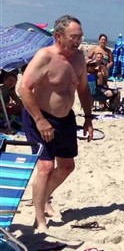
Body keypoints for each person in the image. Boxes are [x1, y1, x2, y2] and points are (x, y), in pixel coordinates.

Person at [17, 15, 94, 232]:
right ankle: (39, 218)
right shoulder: (45, 56)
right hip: (39, 117)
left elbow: (83, 90)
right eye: (74, 37)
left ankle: (43, 198)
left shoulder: (79, 58)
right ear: (58, 36)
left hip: (65, 119)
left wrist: (88, 119)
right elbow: (24, 89)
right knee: (46, 166)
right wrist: (40, 121)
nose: (78, 41)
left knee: (67, 166)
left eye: (80, 36)